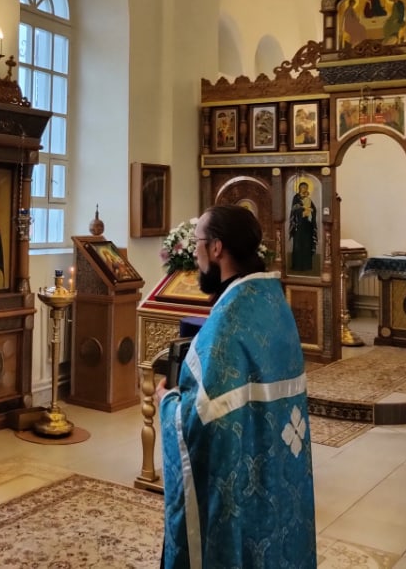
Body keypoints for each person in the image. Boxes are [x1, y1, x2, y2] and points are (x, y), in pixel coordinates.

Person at [157, 205, 316, 568]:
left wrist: (168, 403)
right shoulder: (272, 304)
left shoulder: (228, 323)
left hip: (243, 483)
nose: (194, 253)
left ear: (216, 248)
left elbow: (201, 423)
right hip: (275, 469)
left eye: (198, 242)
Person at [288, 180, 317, 272]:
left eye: (306, 187)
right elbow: (294, 209)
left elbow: (314, 209)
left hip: (307, 225)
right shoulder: (296, 197)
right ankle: (297, 266)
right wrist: (303, 209)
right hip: (298, 225)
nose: (304, 189)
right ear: (299, 188)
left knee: (307, 244)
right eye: (303, 187)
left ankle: (307, 266)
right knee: (298, 245)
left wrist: (311, 211)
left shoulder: (308, 198)